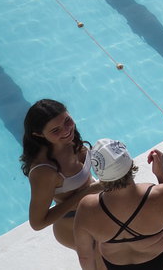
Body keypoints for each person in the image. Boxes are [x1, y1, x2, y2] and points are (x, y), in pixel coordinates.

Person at [73, 139, 163, 270]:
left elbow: (85, 257)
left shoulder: (87, 208)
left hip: (115, 265)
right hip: (161, 260)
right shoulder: (160, 194)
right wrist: (160, 175)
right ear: (130, 163)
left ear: (99, 173)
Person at [21, 99, 99, 253]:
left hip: (96, 211)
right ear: (38, 134)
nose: (66, 130)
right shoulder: (44, 171)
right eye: (55, 130)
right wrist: (88, 192)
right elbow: (37, 223)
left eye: (67, 121)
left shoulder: (71, 140)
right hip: (74, 225)